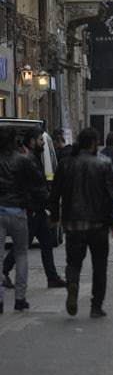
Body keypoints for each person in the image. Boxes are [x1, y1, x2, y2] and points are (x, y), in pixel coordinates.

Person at [50, 128, 113, 318]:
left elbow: (55, 194)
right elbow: (111, 195)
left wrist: (55, 216)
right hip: (98, 224)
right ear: (94, 143)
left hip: (73, 223)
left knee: (74, 262)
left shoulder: (65, 164)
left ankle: (73, 282)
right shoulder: (103, 164)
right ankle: (96, 306)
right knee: (99, 265)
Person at [2, 129, 67, 291]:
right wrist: (51, 203)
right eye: (40, 140)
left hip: (36, 209)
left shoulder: (33, 158)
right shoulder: (29, 160)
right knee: (21, 247)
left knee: (46, 243)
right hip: (32, 210)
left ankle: (52, 277)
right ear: (32, 141)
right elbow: (36, 187)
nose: (43, 142)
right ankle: (4, 271)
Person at [0, 127, 49, 313]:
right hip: (18, 211)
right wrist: (48, 205)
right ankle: (20, 299)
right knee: (21, 254)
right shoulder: (23, 160)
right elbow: (37, 184)